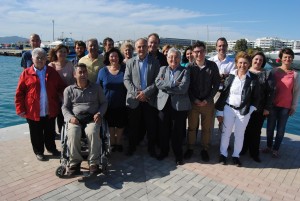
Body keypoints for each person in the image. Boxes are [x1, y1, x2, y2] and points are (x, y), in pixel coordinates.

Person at [15, 48, 65, 161]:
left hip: (49, 109)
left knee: (50, 132)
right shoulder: (26, 73)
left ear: (46, 59)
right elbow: (19, 93)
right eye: (38, 58)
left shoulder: (52, 72)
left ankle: (52, 149)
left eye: (43, 57)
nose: (40, 60)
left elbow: (61, 87)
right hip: (33, 110)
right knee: (35, 133)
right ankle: (39, 151)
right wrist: (20, 109)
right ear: (32, 59)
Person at [62, 63, 108, 176]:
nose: (83, 74)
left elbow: (104, 103)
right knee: (73, 132)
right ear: (74, 74)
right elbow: (65, 107)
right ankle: (74, 163)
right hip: (75, 118)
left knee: (92, 132)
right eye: (80, 72)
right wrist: (70, 118)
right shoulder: (69, 90)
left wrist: (99, 113)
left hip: (92, 117)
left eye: (84, 72)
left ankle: (93, 163)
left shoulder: (96, 88)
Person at [215, 51, 260, 167]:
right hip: (228, 109)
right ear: (236, 63)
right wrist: (219, 111)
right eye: (240, 62)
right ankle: (223, 154)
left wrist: (250, 110)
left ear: (249, 64)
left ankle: (236, 156)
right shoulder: (231, 76)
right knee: (226, 133)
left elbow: (257, 97)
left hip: (244, 111)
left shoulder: (253, 79)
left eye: (245, 63)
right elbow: (224, 94)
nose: (242, 65)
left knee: (240, 135)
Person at [184, 41, 220, 162]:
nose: (199, 54)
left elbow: (216, 85)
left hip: (207, 103)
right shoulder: (189, 67)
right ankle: (190, 148)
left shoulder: (212, 66)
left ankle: (205, 149)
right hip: (193, 103)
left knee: (206, 128)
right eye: (196, 52)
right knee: (192, 128)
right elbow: (186, 86)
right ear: (193, 53)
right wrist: (194, 99)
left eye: (201, 51)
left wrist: (207, 100)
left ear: (205, 52)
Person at [124, 38, 160, 157]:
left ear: (147, 47)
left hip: (149, 99)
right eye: (139, 47)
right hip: (134, 100)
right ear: (135, 48)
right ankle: (132, 146)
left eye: (144, 46)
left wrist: (145, 93)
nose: (141, 49)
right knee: (133, 126)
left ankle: (151, 148)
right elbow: (126, 79)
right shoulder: (130, 62)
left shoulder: (154, 62)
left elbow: (157, 81)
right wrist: (136, 94)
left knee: (151, 126)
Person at [155, 48, 191, 165]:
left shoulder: (185, 71)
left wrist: (166, 86)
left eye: (176, 57)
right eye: (171, 57)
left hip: (179, 105)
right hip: (163, 104)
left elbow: (183, 88)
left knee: (178, 131)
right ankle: (164, 151)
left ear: (180, 59)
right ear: (167, 58)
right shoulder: (162, 69)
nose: (173, 59)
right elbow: (157, 83)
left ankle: (178, 155)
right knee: (163, 130)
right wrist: (174, 83)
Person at [263, 48, 300, 158]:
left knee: (280, 130)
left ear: (292, 59)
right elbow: (268, 88)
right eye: (285, 57)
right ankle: (269, 146)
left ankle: (276, 149)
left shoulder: (295, 74)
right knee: (269, 128)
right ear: (281, 59)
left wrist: (293, 106)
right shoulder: (274, 71)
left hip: (285, 107)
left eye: (289, 57)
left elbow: (296, 91)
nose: (287, 59)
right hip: (273, 105)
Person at [241, 52, 275, 162]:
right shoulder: (246, 72)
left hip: (259, 109)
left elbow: (271, 93)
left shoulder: (267, 74)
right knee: (244, 129)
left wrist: (267, 108)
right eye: (256, 59)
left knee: (256, 131)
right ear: (252, 60)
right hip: (245, 108)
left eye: (261, 60)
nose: (258, 61)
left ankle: (254, 153)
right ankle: (243, 149)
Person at [96, 48, 126, 152]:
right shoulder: (102, 71)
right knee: (111, 124)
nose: (114, 58)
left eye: (116, 56)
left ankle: (119, 142)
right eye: (112, 56)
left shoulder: (124, 69)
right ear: (108, 58)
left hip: (122, 103)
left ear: (119, 57)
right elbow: (98, 87)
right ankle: (112, 142)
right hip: (107, 104)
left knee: (120, 124)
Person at [48, 44, 75, 134]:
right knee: (53, 117)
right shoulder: (51, 65)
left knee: (64, 117)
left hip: (67, 96)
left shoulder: (70, 64)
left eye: (65, 52)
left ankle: (64, 134)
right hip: (54, 96)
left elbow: (74, 79)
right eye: (60, 52)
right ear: (56, 53)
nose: (63, 54)